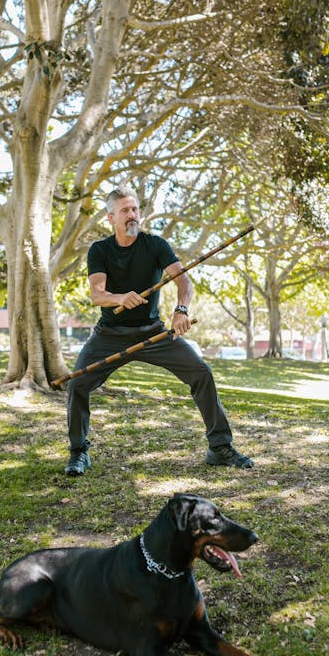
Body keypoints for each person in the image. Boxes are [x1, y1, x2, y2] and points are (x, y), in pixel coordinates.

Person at [65, 186, 254, 476]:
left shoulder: (155, 245)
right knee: (77, 385)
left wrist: (181, 310)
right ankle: (79, 452)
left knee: (201, 372)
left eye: (135, 209)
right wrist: (119, 298)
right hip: (110, 335)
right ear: (111, 218)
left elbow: (183, 282)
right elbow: (97, 294)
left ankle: (219, 447)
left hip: (152, 333)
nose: (132, 215)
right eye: (125, 210)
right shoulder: (100, 250)